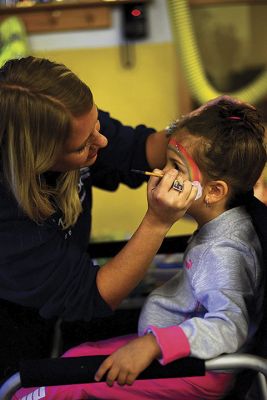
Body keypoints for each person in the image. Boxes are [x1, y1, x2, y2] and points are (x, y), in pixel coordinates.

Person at [14, 98, 267, 400]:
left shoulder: (224, 250)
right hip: (180, 349)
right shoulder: (229, 222)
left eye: (175, 166)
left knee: (52, 390)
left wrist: (153, 345)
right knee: (77, 356)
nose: (159, 172)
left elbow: (228, 327)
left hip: (199, 371)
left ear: (213, 191)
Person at [0, 56, 199, 381]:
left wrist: (198, 126)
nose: (101, 141)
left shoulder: (72, 118)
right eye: (83, 146)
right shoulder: (8, 216)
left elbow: (138, 149)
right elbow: (92, 295)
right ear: (35, 158)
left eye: (97, 125)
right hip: (13, 332)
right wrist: (158, 222)